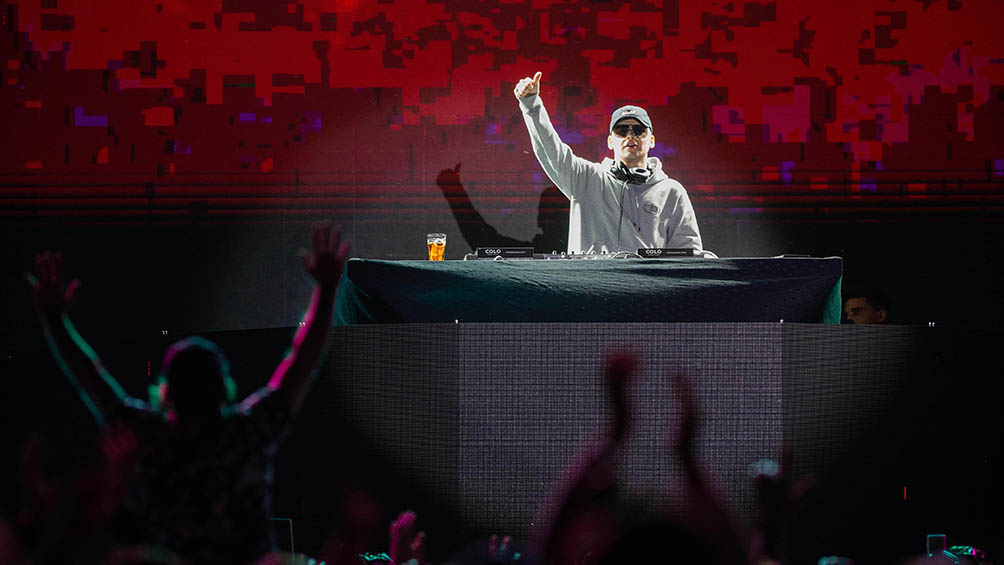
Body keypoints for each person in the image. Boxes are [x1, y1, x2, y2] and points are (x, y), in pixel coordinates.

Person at [26, 222, 350, 564]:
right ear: (224, 387)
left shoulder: (151, 436)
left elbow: (90, 375)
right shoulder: (249, 432)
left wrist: (54, 319)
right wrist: (327, 289)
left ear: (166, 392)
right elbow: (301, 361)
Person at [514, 71, 703, 255]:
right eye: (622, 130)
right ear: (610, 141)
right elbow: (551, 151)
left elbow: (689, 254)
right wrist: (531, 104)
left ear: (651, 140)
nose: (630, 135)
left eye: (638, 130)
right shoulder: (587, 178)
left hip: (646, 278)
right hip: (591, 278)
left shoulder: (672, 192)